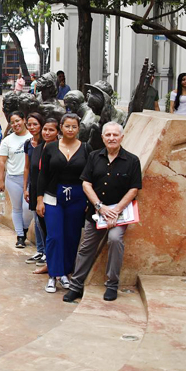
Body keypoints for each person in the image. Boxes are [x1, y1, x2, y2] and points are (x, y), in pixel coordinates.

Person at [64, 122, 142, 302]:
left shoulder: (132, 160)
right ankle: (76, 286)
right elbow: (86, 183)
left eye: (115, 135)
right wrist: (100, 207)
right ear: (103, 137)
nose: (112, 138)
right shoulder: (93, 156)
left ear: (122, 137)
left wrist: (115, 211)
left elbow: (134, 189)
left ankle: (112, 285)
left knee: (115, 240)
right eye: (108, 135)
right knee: (85, 248)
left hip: (119, 214)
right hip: (96, 211)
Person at [37, 113, 91, 294]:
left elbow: (90, 176)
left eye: (74, 126)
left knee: (71, 236)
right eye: (67, 126)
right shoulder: (51, 148)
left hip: (77, 197)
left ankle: (66, 273)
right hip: (53, 196)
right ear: (61, 127)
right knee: (54, 236)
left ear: (78, 129)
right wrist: (39, 199)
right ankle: (53, 274)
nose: (70, 129)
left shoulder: (86, 148)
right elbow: (42, 175)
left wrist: (88, 200)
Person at [0, 111, 33, 247]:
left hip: (30, 179)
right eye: (12, 122)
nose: (15, 124)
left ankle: (23, 228)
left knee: (28, 207)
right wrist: (1, 180)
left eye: (18, 121)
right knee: (17, 208)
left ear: (24, 120)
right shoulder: (7, 141)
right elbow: (2, 162)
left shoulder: (32, 137)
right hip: (13, 178)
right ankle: (20, 236)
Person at [23, 113, 49, 270]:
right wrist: (25, 187)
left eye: (35, 124)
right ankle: (40, 250)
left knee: (43, 221)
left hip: (46, 187)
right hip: (33, 186)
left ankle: (47, 251)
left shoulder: (48, 143)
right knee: (36, 219)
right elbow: (26, 167)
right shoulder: (28, 144)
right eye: (29, 124)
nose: (32, 128)